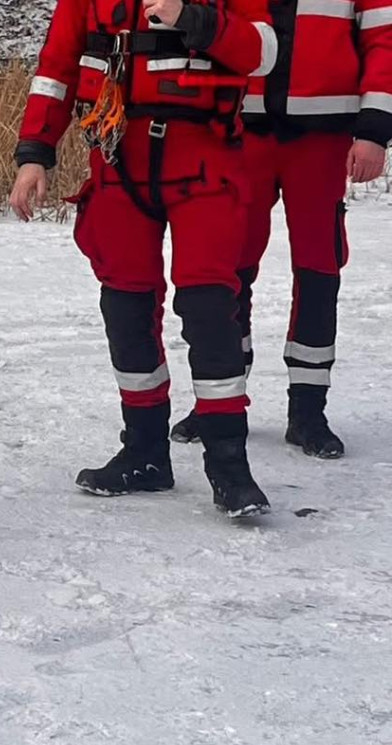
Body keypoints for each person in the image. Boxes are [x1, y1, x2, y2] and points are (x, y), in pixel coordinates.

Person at [10, 0, 278, 516]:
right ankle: (145, 452)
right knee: (126, 306)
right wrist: (35, 154)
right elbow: (57, 69)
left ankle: (229, 464)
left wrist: (193, 19)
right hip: (117, 161)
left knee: (208, 306)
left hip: (204, 161)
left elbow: (263, 53)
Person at [170, 0, 392, 458]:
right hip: (237, 130)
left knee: (318, 267)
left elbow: (384, 42)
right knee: (226, 268)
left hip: (322, 137)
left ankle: (308, 412)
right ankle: (220, 402)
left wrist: (374, 130)